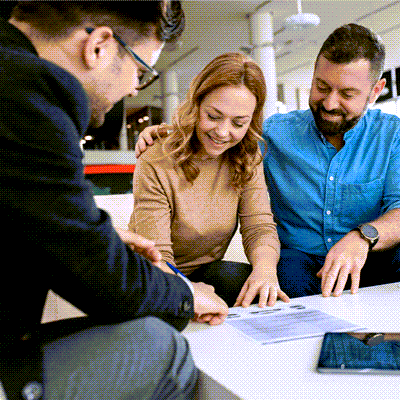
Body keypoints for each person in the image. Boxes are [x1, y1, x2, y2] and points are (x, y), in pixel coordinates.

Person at [0, 2, 228, 400]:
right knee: (163, 349)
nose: (133, 89)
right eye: (140, 71)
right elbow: (106, 281)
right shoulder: (28, 95)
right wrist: (188, 294)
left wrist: (104, 239)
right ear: (100, 47)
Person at [136, 24, 400, 300]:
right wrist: (172, 132)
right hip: (300, 263)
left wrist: (363, 237)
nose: (330, 103)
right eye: (322, 87)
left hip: (369, 254)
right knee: (283, 276)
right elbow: (218, 135)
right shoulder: (272, 135)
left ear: (375, 91)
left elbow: (259, 225)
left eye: (347, 94)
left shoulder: (392, 135)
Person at [129, 52, 290, 309]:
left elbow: (258, 227)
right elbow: (156, 255)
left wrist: (266, 270)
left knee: (260, 287)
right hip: (152, 274)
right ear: (196, 105)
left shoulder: (248, 156)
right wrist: (189, 293)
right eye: (213, 116)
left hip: (206, 273)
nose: (223, 132)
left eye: (239, 122)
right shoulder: (156, 159)